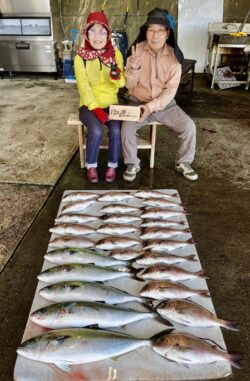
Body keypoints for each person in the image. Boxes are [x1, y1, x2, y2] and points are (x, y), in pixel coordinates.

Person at [122, 8, 198, 182]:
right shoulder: (136, 52)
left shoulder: (174, 58)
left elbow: (170, 91)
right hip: (138, 103)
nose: (154, 35)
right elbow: (129, 86)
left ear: (167, 33)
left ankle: (184, 162)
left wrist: (152, 107)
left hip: (166, 106)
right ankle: (132, 163)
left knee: (189, 127)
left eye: (160, 30)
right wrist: (133, 69)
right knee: (126, 128)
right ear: (145, 32)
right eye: (151, 29)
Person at [74, 12, 125, 183]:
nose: (97, 36)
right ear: (86, 34)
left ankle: (112, 165)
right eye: (93, 31)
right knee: (95, 130)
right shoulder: (80, 58)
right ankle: (91, 166)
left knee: (117, 130)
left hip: (111, 103)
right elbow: (83, 87)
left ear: (108, 34)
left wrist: (115, 74)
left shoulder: (115, 55)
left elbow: (122, 84)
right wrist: (95, 108)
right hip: (88, 105)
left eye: (102, 31)